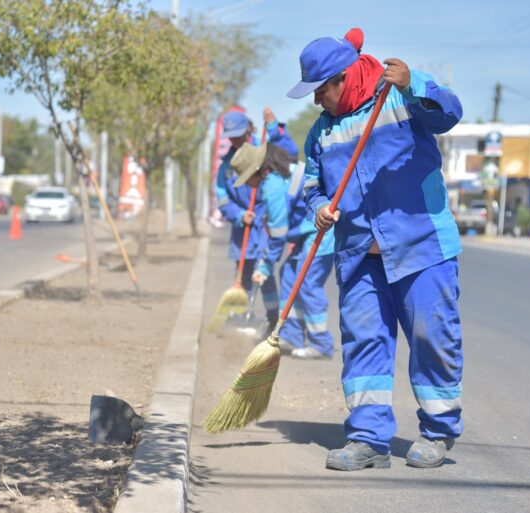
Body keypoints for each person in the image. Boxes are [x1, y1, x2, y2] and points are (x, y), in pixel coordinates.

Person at [287, 28, 464, 470]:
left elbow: (449, 113)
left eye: (319, 91)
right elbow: (311, 186)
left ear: (343, 77)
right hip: (360, 255)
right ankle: (368, 439)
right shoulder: (321, 134)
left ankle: (438, 432)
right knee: (364, 343)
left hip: (422, 248)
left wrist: (414, 84)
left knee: (432, 339)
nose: (315, 101)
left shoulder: (398, 98)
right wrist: (319, 208)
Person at [230, 139, 336, 360]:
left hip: (321, 233)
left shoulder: (272, 184)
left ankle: (321, 343)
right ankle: (292, 336)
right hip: (308, 232)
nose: (248, 185)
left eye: (247, 179)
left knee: (307, 283)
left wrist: (265, 265)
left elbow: (278, 234)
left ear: (256, 171)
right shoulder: (280, 174)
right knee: (288, 275)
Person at [215, 110, 279, 334]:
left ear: (248, 130)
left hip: (264, 225)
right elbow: (222, 198)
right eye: (230, 136)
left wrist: (267, 213)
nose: (234, 139)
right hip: (243, 227)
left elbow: (274, 187)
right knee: (242, 274)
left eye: (237, 134)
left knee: (265, 272)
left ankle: (273, 318)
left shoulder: (261, 152)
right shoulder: (226, 166)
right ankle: (241, 315)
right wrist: (239, 214)